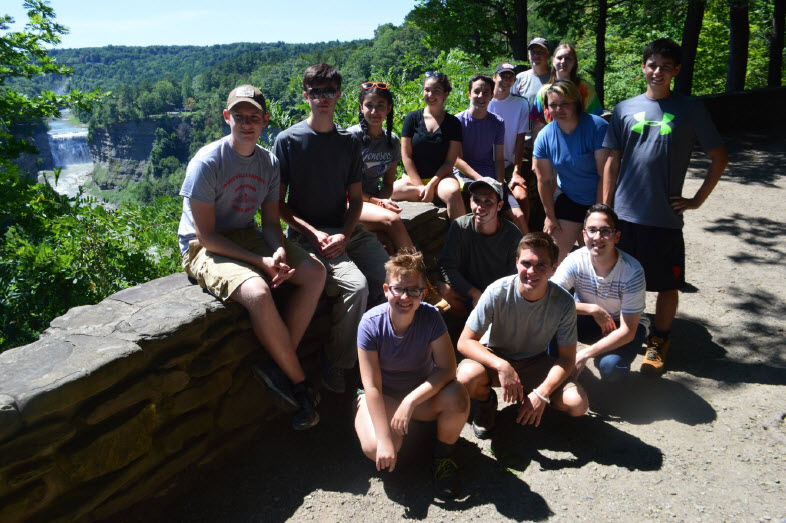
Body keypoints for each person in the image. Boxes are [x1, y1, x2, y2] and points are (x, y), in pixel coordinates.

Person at [178, 85, 326, 430]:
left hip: (245, 233)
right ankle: (300, 386)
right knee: (258, 292)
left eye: (254, 117)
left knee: (315, 273)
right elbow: (206, 236)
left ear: (265, 121)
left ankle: (279, 364)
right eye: (239, 116)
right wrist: (260, 262)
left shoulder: (268, 162)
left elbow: (271, 224)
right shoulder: (207, 163)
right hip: (201, 245)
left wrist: (275, 250)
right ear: (227, 118)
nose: (247, 123)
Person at [603, 38, 728, 376]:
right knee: (619, 279)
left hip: (665, 218)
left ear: (676, 70)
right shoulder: (624, 108)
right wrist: (604, 208)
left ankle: (659, 340)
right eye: (652, 64)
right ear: (643, 66)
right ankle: (620, 333)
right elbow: (612, 161)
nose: (657, 71)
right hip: (624, 215)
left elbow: (720, 157)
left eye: (665, 66)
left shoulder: (691, 109)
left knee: (667, 284)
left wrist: (696, 200)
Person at [274, 64, 390, 394]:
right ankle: (338, 364)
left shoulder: (348, 142)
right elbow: (279, 205)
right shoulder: (289, 141)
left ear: (339, 94)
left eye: (330, 91)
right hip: (308, 235)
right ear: (305, 95)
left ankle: (377, 349)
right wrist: (314, 234)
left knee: (390, 280)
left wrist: (346, 233)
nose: (323, 98)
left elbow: (355, 200)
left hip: (346, 230)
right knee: (355, 287)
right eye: (316, 92)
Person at [354, 249, 469, 498]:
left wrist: (410, 401)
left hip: (418, 396)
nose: (405, 297)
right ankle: (401, 436)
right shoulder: (370, 324)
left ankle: (443, 456)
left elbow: (448, 369)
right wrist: (384, 439)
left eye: (413, 290)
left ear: (423, 293)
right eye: (398, 289)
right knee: (378, 447)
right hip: (382, 397)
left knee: (457, 396)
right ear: (386, 290)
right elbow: (372, 386)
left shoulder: (431, 317)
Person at [456, 233, 589, 439]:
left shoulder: (563, 303)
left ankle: (533, 401)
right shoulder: (497, 292)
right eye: (526, 263)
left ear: (554, 268)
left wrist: (542, 393)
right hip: (495, 355)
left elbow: (567, 358)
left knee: (577, 404)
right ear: (517, 262)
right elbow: (465, 341)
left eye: (541, 265)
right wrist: (502, 365)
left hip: (534, 360)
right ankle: (486, 402)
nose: (531, 271)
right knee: (465, 378)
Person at [551, 204, 648, 382]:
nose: (598, 237)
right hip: (587, 318)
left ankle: (605, 370)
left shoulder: (632, 271)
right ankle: (559, 369)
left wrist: (584, 354)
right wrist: (592, 309)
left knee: (611, 367)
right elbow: (550, 298)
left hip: (621, 324)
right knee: (549, 320)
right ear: (584, 235)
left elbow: (628, 330)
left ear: (616, 236)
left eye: (605, 231)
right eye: (592, 230)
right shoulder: (575, 260)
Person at [533, 80, 609, 262]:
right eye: (553, 105)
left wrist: (598, 215)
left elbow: (604, 176)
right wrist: (550, 216)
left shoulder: (597, 127)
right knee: (549, 259)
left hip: (600, 199)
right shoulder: (545, 136)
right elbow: (544, 181)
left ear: (576, 103)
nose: (558, 109)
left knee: (596, 260)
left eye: (564, 104)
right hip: (570, 198)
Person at [437, 177, 523, 318]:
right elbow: (446, 266)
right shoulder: (460, 226)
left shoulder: (512, 235)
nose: (480, 207)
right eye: (476, 200)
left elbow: (514, 277)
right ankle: (465, 324)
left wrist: (490, 298)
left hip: (499, 296)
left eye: (488, 201)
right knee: (443, 289)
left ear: (499, 206)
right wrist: (473, 292)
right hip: (469, 294)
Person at [347, 82, 415, 254]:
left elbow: (388, 184)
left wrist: (382, 202)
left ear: (389, 108)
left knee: (387, 244)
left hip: (371, 203)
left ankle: (406, 278)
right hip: (347, 203)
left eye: (380, 106)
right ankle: (418, 272)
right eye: (369, 106)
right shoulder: (351, 138)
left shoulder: (391, 142)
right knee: (393, 221)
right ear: (361, 107)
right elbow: (343, 184)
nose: (374, 112)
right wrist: (377, 202)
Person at [453, 74, 527, 232]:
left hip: (490, 175)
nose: (481, 96)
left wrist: (500, 183)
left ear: (492, 96)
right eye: (477, 91)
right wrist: (481, 179)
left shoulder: (497, 123)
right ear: (469, 94)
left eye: (486, 92)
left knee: (518, 216)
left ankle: (529, 253)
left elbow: (499, 159)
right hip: (465, 177)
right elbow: (457, 160)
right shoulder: (457, 122)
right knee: (487, 214)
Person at [393, 72, 466, 220]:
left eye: (436, 90)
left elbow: (449, 161)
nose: (430, 94)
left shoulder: (453, 123)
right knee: (392, 190)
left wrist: (432, 185)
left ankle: (463, 237)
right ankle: (430, 195)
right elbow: (406, 156)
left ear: (446, 93)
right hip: (414, 179)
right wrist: (420, 186)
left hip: (441, 179)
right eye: (427, 90)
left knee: (453, 193)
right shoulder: (412, 118)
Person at [511, 37, 552, 233]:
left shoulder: (555, 78)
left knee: (549, 190)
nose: (536, 55)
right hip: (525, 145)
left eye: (540, 51)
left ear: (548, 55)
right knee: (529, 192)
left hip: (552, 146)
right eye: (533, 51)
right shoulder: (520, 79)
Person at [488, 62, 531, 229]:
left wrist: (516, 171)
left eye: (510, 76)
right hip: (486, 163)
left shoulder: (521, 104)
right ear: (494, 77)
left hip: (508, 164)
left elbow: (520, 140)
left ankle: (524, 239)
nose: (506, 80)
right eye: (502, 76)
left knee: (521, 197)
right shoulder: (484, 100)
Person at [530, 42, 603, 129]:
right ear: (553, 61)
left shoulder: (586, 89)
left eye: (568, 58)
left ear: (574, 62)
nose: (563, 61)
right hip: (553, 141)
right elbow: (538, 126)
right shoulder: (543, 92)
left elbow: (596, 121)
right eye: (559, 58)